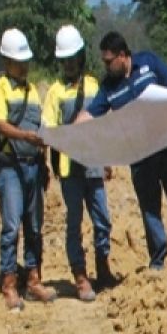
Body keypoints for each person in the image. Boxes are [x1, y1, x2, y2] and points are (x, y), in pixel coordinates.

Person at [75, 31, 167, 270]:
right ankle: (158, 260)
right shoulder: (109, 87)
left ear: (123, 56)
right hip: (141, 157)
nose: (106, 66)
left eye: (109, 61)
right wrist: (71, 129)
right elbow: (91, 113)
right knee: (150, 208)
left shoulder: (149, 63)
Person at [41, 25, 117, 301]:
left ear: (81, 57)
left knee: (102, 219)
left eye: (73, 59)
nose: (69, 64)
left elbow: (104, 126)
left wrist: (106, 158)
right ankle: (80, 276)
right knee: (74, 222)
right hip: (69, 168)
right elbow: (48, 129)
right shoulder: (55, 93)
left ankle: (103, 266)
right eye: (65, 60)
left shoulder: (95, 85)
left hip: (94, 163)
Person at [0, 28, 56, 310]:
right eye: (19, 62)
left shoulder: (32, 92)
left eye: (26, 61)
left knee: (35, 226)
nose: (24, 66)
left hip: (32, 166)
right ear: (7, 62)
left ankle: (32, 278)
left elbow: (41, 127)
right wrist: (25, 136)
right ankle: (9, 284)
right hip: (10, 167)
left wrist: (43, 161)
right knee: (11, 226)